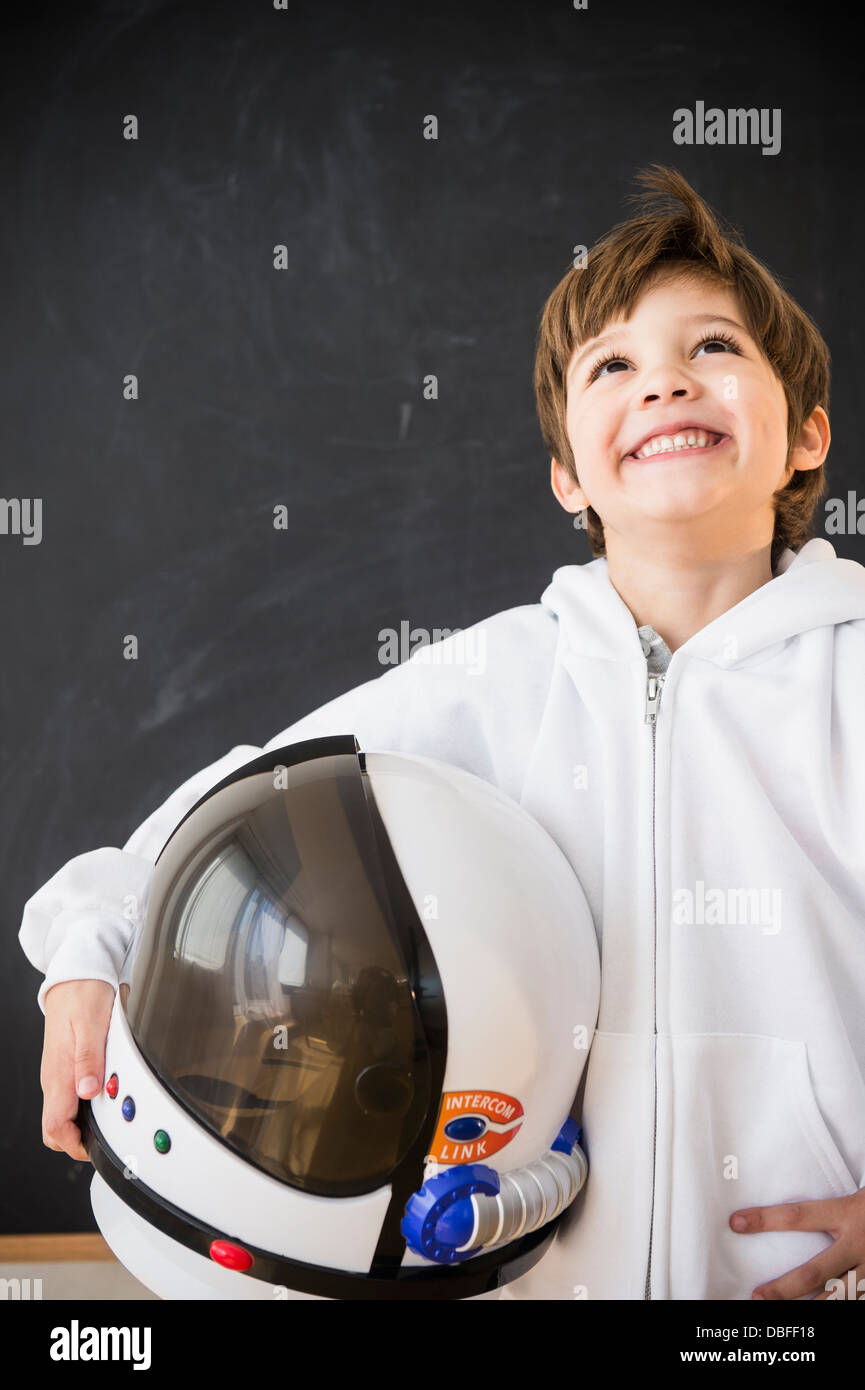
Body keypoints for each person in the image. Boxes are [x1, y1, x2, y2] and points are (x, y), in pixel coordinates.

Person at [20, 164, 865, 1301]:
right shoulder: (494, 677)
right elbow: (242, 808)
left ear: (806, 434)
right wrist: (85, 950)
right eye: (612, 365)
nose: (663, 382)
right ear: (569, 475)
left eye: (712, 348)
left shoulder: (851, 675)